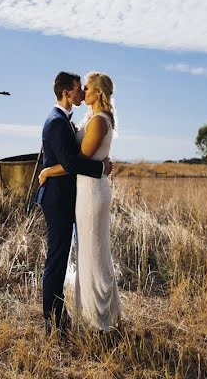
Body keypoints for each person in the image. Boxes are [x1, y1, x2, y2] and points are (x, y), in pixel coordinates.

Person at [39, 71, 121, 332]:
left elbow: (75, 161)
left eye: (86, 88)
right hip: (66, 197)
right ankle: (57, 320)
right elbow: (75, 161)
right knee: (64, 257)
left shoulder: (91, 120)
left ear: (98, 92)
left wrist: (47, 171)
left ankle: (95, 316)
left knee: (89, 253)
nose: (82, 92)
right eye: (79, 88)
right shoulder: (59, 121)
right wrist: (99, 166)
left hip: (88, 194)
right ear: (67, 93)